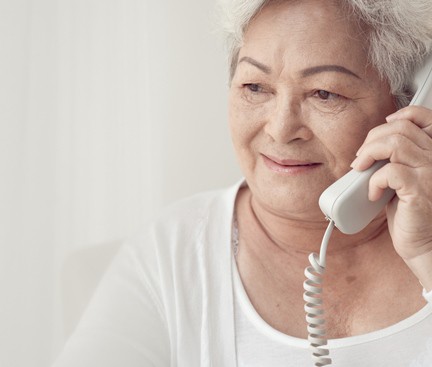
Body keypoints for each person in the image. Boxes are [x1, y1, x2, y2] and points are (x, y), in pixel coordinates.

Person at [53, 0, 432, 366]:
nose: (281, 129)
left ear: (408, 107)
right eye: (255, 87)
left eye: (324, 92)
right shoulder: (172, 253)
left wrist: (426, 252)